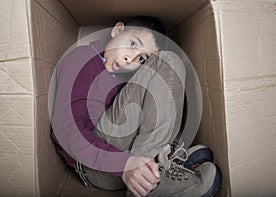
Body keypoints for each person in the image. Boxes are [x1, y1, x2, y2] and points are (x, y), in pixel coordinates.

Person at [51, 16, 221, 197]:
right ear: (117, 30)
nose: (129, 59)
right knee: (167, 61)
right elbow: (64, 128)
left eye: (141, 58)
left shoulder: (127, 82)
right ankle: (151, 179)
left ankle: (161, 163)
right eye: (132, 43)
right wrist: (122, 164)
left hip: (125, 157)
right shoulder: (83, 57)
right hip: (94, 164)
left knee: (162, 79)